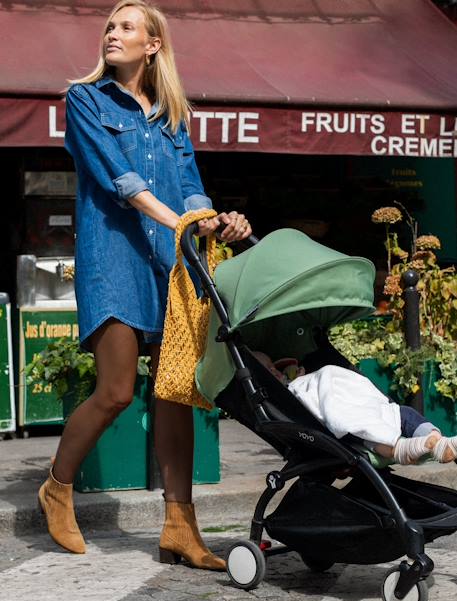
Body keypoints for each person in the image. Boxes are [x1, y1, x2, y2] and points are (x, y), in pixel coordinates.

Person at [38, 0, 252, 570]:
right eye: (110, 26)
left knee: (174, 392)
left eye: (126, 27)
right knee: (115, 390)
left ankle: (180, 526)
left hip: (170, 263)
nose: (113, 33)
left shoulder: (171, 116)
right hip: (113, 259)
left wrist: (214, 220)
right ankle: (56, 487)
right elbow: (119, 180)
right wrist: (180, 219)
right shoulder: (84, 100)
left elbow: (192, 188)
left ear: (153, 44)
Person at [253, 352, 457, 465]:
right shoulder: (292, 392)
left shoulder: (297, 376)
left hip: (358, 400)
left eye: (274, 366)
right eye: (268, 369)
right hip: (335, 409)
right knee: (364, 432)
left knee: (402, 412)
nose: (275, 370)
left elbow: (340, 380)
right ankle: (402, 449)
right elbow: (319, 399)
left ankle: (436, 441)